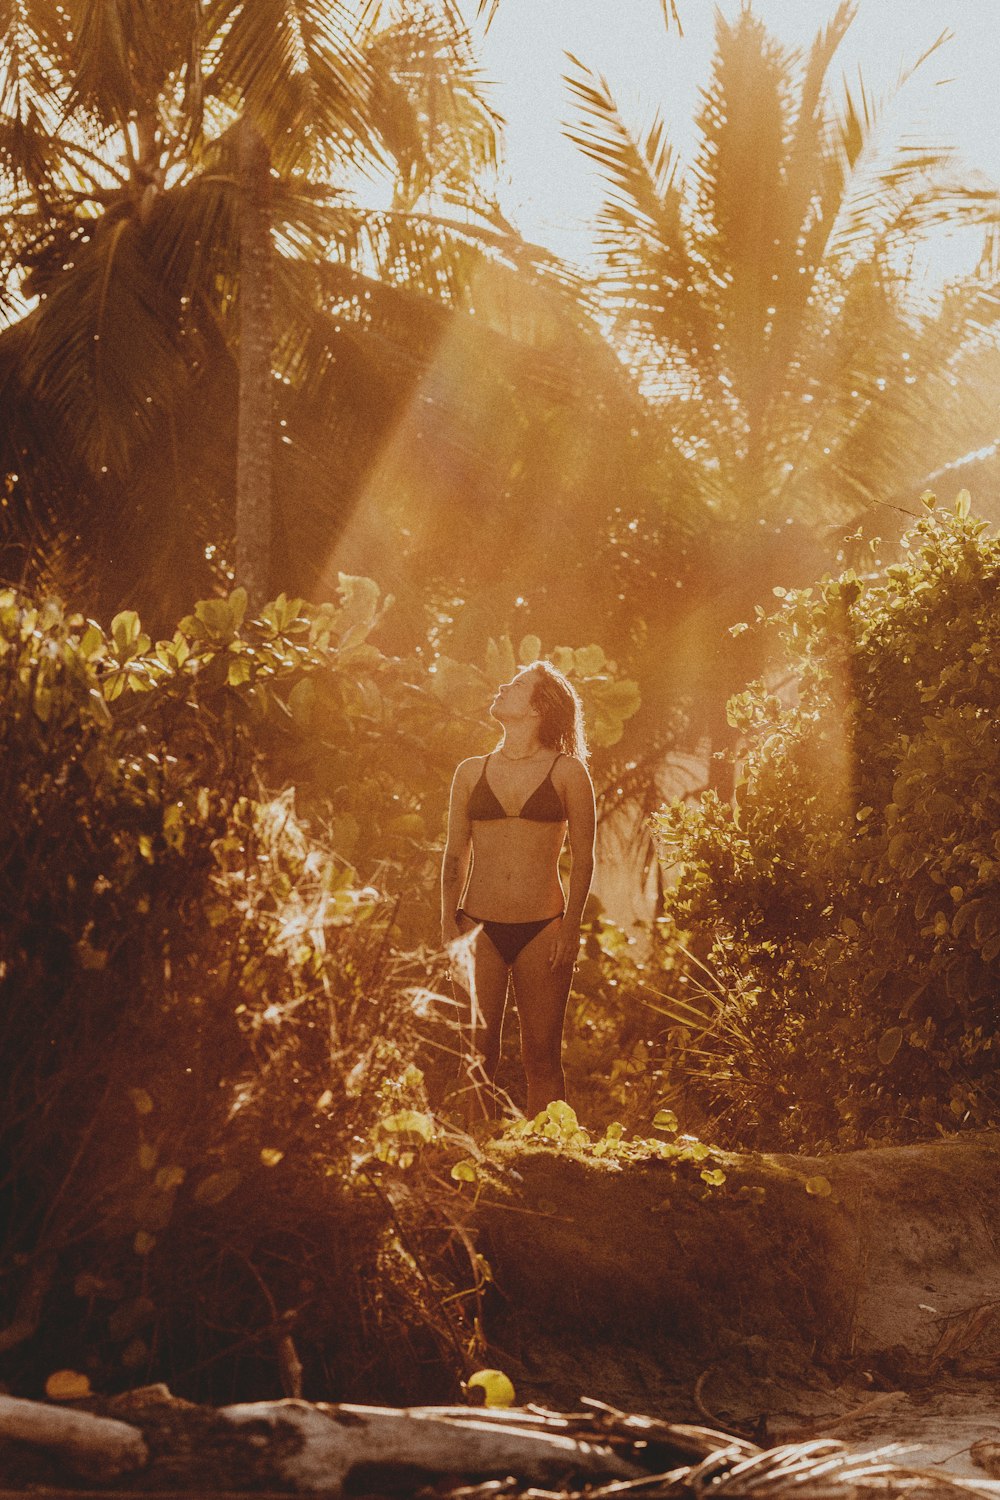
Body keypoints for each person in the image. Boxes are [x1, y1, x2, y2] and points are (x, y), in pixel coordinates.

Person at [441, 661, 596, 1120]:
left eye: (518, 685)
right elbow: (454, 855)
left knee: (542, 1055)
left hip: (543, 928)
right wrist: (448, 924)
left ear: (537, 708)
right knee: (476, 1055)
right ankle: (476, 1157)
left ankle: (548, 1158)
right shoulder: (470, 772)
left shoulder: (569, 773)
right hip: (477, 927)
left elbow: (584, 859)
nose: (504, 686)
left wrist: (570, 930)